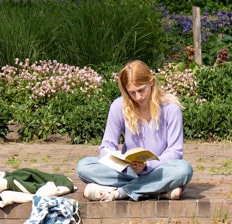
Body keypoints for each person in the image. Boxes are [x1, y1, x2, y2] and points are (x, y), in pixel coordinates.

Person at [77, 60, 194, 201]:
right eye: (132, 93)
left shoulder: (170, 109)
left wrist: (147, 166)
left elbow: (175, 152)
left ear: (151, 82)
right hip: (127, 171)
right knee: (84, 166)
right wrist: (119, 162)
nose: (138, 97)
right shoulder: (118, 106)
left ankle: (121, 192)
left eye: (141, 90)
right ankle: (155, 190)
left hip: (158, 169)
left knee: (183, 170)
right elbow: (106, 146)